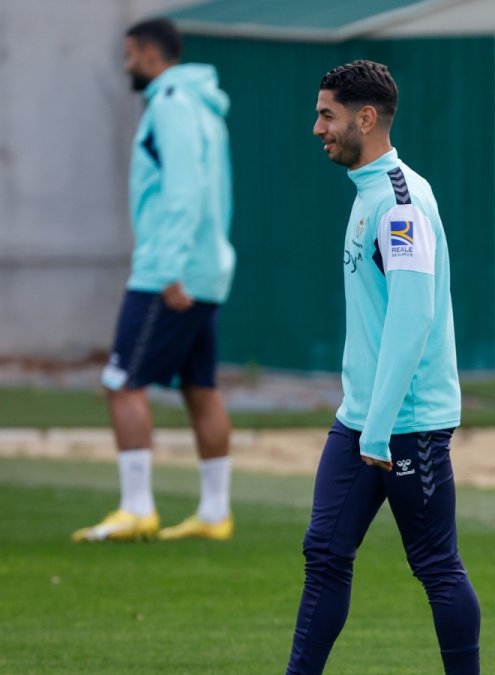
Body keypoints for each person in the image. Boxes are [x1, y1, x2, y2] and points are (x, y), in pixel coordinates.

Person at [286, 60, 480, 675]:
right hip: (363, 418)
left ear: (364, 118)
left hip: (407, 422)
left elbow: (412, 318)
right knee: (324, 551)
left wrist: (380, 425)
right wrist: (364, 419)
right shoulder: (369, 192)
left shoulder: (401, 202)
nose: (317, 128)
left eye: (327, 115)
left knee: (435, 566)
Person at [74, 18, 236, 543]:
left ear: (147, 53)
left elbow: (185, 191)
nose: (125, 66)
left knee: (121, 383)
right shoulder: (206, 108)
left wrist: (167, 269)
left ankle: (137, 507)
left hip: (171, 272)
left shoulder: (170, 104)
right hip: (206, 268)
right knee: (200, 388)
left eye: (128, 55)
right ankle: (215, 515)